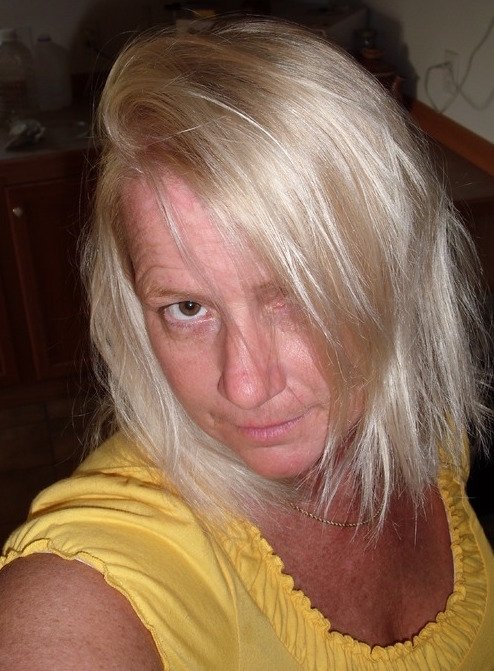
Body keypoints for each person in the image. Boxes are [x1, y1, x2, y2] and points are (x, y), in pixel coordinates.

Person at [0, 16, 493, 670]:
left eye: (296, 296)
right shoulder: (99, 575)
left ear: (396, 274)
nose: (245, 385)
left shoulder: (425, 421)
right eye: (187, 307)